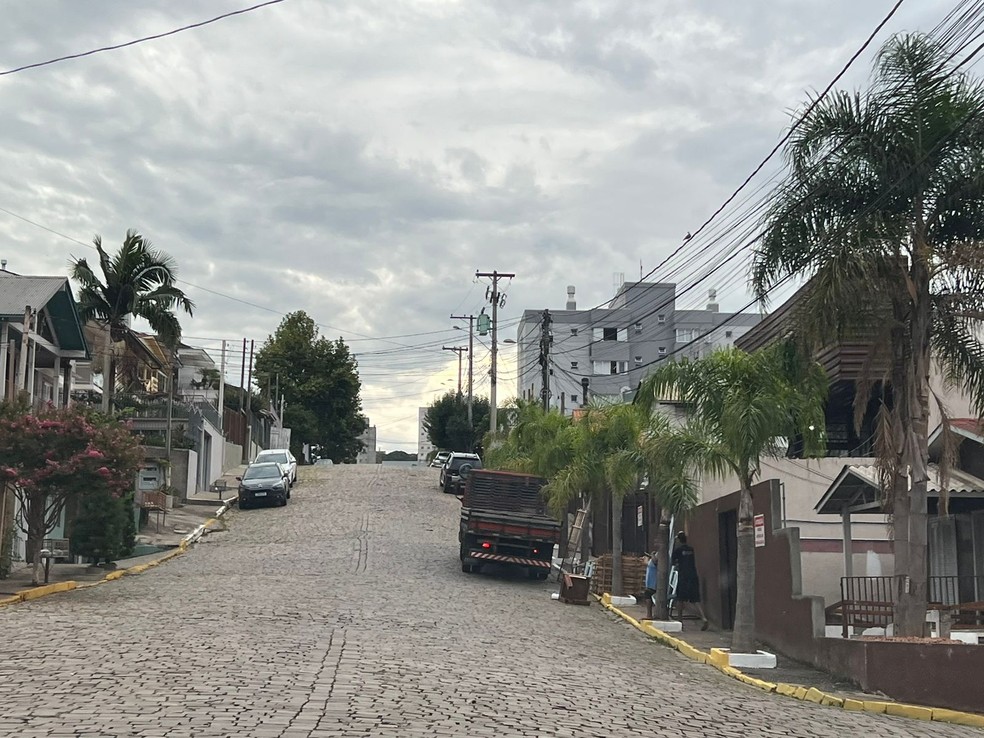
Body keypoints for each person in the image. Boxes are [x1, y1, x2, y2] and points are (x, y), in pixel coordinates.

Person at [671, 532, 708, 630]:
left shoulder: (678, 550)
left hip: (683, 577)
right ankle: (703, 617)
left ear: (679, 540)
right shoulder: (691, 549)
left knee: (680, 599)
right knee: (695, 599)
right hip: (693, 576)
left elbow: (673, 561)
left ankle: (680, 620)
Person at [634, 552, 658, 620]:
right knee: (648, 595)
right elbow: (650, 564)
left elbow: (655, 562)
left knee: (648, 595)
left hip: (654, 582)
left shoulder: (658, 557)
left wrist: (652, 555)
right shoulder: (653, 559)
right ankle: (649, 614)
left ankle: (649, 615)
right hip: (650, 582)